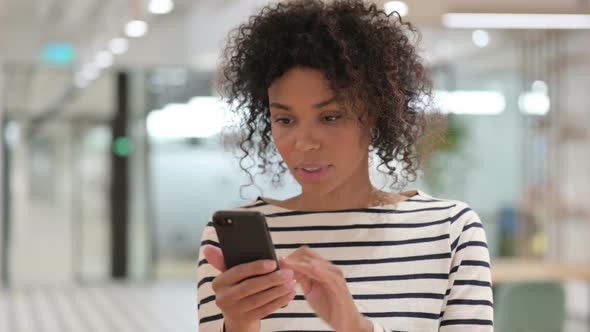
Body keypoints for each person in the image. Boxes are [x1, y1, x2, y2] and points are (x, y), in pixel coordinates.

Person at [197, 0, 493, 331]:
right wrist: (239, 324)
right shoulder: (229, 242)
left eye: (330, 117)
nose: (304, 142)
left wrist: (355, 326)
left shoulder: (450, 230)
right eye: (285, 119)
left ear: (375, 116)